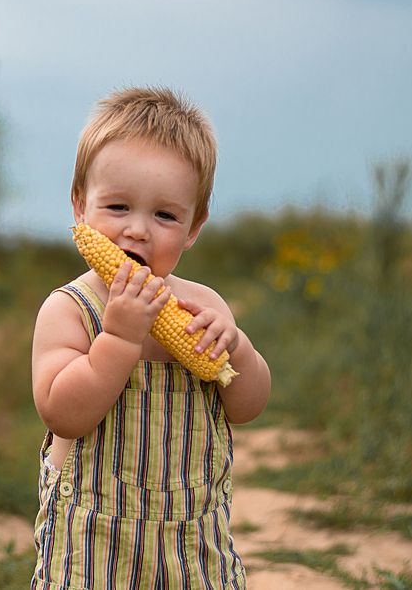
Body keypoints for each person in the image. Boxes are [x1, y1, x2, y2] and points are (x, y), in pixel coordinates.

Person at [30, 86, 272, 589]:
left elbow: (247, 406)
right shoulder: (70, 310)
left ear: (193, 228)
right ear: (80, 207)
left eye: (164, 215)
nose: (138, 231)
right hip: (93, 545)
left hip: (193, 547)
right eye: (118, 207)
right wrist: (119, 338)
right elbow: (61, 413)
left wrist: (238, 350)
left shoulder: (203, 306)